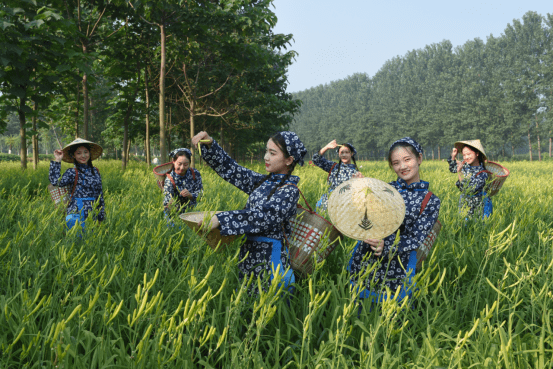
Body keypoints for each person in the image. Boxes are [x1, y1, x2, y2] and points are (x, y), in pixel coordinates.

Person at [191, 130, 307, 296]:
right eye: (266, 151)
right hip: (249, 258)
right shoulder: (264, 182)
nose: (266, 157)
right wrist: (211, 145)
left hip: (270, 262)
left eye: (272, 153)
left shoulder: (289, 191)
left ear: (289, 160)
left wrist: (221, 220)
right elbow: (232, 170)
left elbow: (263, 217)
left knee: (268, 312)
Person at [348, 137, 440, 303]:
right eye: (396, 163)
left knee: (393, 310)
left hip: (399, 261)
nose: (402, 167)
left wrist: (388, 246)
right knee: (361, 305)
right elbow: (366, 214)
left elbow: (416, 237)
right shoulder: (384, 189)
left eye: (407, 159)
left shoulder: (430, 200)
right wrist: (360, 190)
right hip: (368, 254)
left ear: (419, 159)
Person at [49, 138, 105, 233]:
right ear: (73, 155)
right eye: (78, 153)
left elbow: (100, 195)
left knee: (92, 241)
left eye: (85, 152)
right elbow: (56, 182)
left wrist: (101, 217)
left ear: (89, 153)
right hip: (77, 211)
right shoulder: (72, 172)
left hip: (93, 211)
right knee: (76, 241)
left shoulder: (96, 171)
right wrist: (58, 160)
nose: (83, 156)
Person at [447, 140, 492, 219]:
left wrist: (460, 172)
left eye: (469, 154)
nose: (466, 157)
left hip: (479, 205)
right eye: (464, 155)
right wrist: (453, 156)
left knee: (479, 226)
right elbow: (453, 169)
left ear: (477, 153)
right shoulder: (465, 165)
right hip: (466, 203)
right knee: (465, 227)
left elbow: (469, 189)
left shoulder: (483, 172)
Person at [312, 140, 359, 210]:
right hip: (326, 203)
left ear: (351, 154)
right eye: (342, 152)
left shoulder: (356, 173)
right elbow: (316, 159)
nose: (344, 155)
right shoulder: (333, 166)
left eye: (347, 152)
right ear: (339, 154)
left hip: (343, 207)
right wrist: (327, 147)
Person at [163, 148, 203, 217]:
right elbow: (167, 199)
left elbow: (201, 194)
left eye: (185, 164)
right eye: (179, 164)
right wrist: (170, 203)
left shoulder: (195, 173)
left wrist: (191, 195)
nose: (182, 168)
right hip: (175, 212)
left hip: (192, 210)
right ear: (173, 161)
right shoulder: (170, 178)